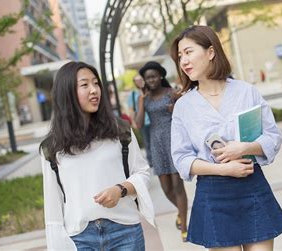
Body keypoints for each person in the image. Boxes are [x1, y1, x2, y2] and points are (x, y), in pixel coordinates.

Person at [170, 25, 282, 250]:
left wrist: (244, 148)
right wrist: (223, 169)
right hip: (213, 194)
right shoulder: (183, 106)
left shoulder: (246, 92)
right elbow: (182, 159)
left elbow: (273, 137)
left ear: (211, 52)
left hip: (252, 185)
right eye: (179, 56)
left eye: (188, 52)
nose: (183, 61)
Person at [40, 61, 154, 250]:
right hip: (80, 239)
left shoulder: (120, 130)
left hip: (125, 232)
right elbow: (53, 205)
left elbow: (143, 173)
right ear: (67, 93)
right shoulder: (51, 147)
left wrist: (120, 189)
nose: (94, 90)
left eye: (96, 83)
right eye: (85, 85)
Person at [135, 61, 188, 241]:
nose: (151, 80)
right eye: (148, 77)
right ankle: (182, 211)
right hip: (156, 143)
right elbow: (139, 124)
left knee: (177, 186)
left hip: (174, 141)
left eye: (154, 76)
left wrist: (176, 110)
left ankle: (185, 225)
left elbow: (188, 113)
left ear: (161, 77)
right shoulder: (145, 98)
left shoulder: (171, 93)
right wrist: (141, 100)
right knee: (166, 189)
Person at [128, 74, 152, 166]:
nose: (139, 82)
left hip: (153, 120)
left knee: (154, 141)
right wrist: (133, 122)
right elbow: (131, 109)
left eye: (140, 79)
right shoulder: (133, 94)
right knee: (147, 142)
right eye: (136, 80)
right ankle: (151, 161)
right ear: (134, 83)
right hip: (142, 122)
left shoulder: (149, 91)